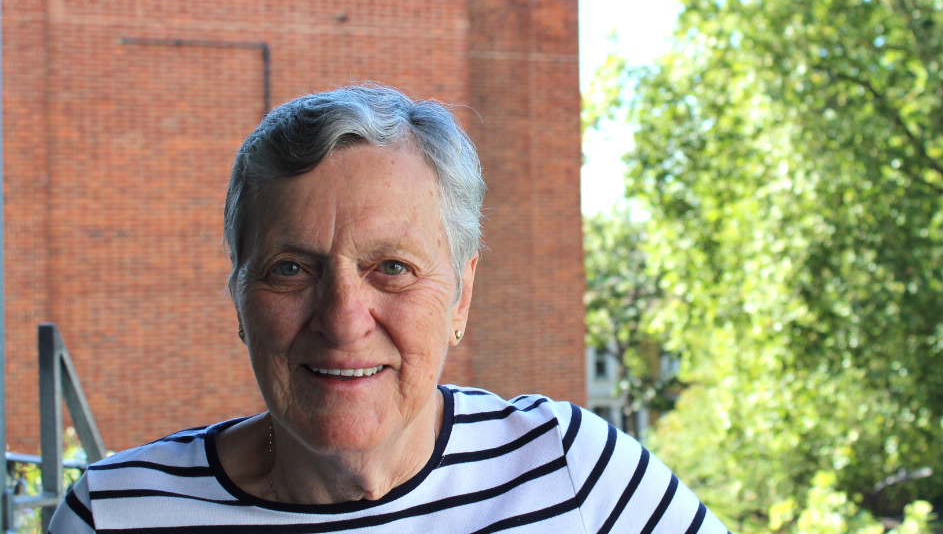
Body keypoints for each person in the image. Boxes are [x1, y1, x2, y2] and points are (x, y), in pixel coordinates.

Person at [49, 85, 729, 533]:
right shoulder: (116, 515)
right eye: (292, 269)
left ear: (461, 295)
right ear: (239, 297)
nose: (344, 319)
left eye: (393, 269)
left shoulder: (573, 472)